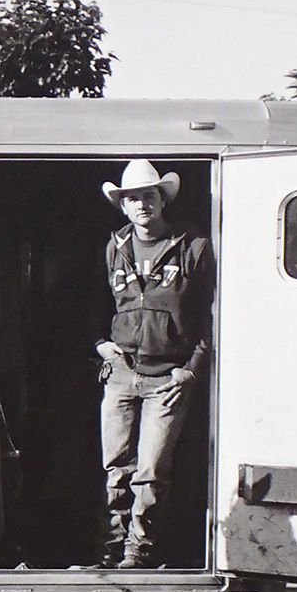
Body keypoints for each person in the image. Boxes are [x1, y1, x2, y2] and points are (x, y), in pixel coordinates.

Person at [92, 159, 214, 569]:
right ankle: (110, 547)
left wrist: (192, 367)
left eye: (148, 196)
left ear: (162, 201)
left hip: (168, 377)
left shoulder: (192, 246)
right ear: (122, 206)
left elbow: (210, 314)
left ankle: (138, 552)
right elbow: (91, 305)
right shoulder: (115, 247)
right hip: (122, 372)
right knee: (116, 466)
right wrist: (101, 345)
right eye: (132, 198)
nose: (141, 204)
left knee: (151, 469)